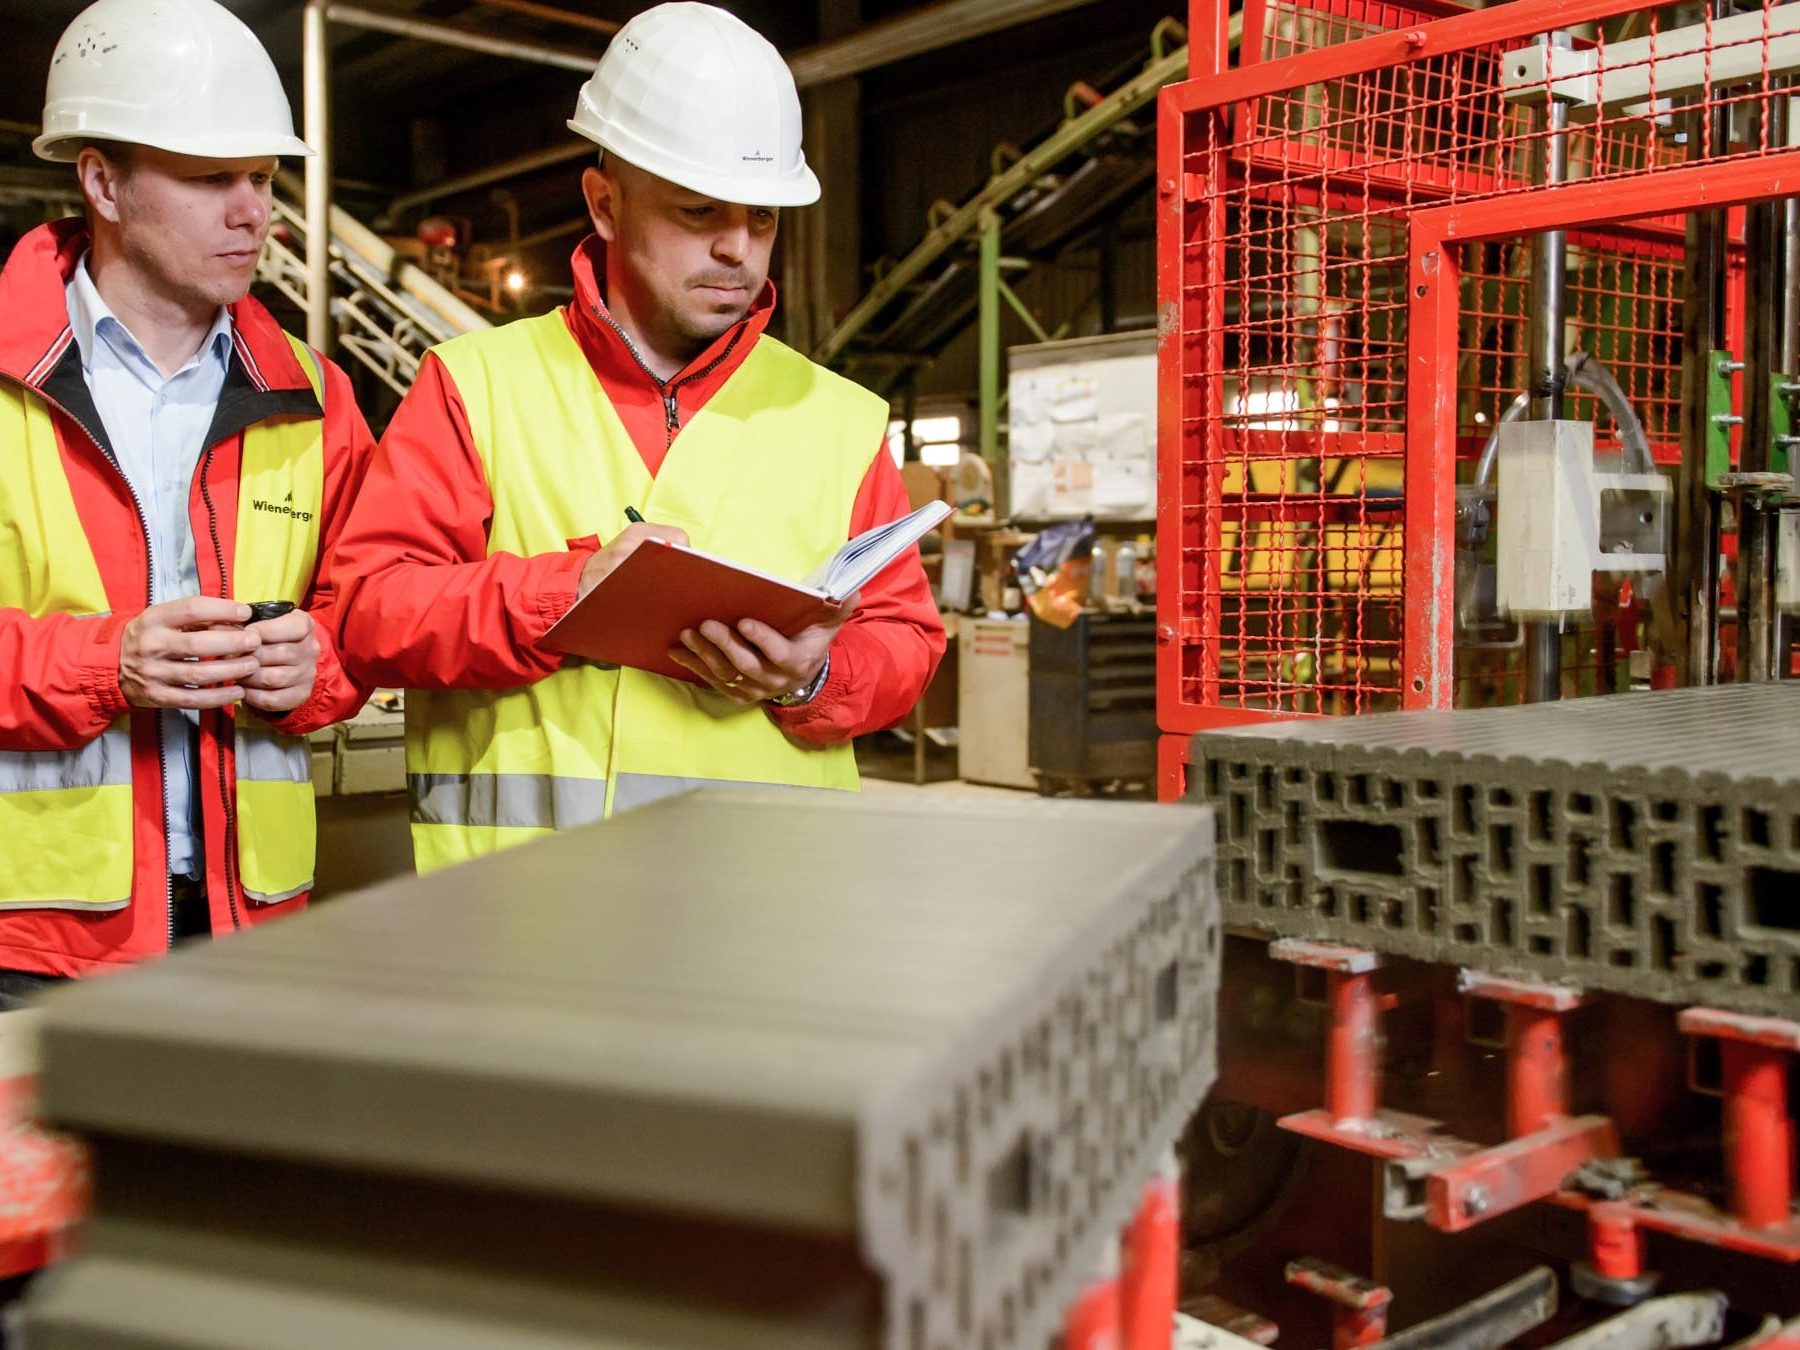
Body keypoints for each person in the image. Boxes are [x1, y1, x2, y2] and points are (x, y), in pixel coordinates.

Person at [333, 2, 945, 872]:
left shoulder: (838, 418)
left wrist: (812, 677)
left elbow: (906, 644)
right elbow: (370, 615)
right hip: (517, 918)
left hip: (760, 917)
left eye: (763, 218)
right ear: (605, 204)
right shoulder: (476, 386)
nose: (739, 248)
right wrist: (567, 593)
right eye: (699, 212)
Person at [0, 0, 372, 992]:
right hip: (29, 940)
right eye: (213, 178)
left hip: (253, 927)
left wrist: (317, 665)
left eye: (261, 176)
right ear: (103, 182)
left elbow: (366, 613)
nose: (255, 209)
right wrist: (103, 664)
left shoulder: (314, 393)